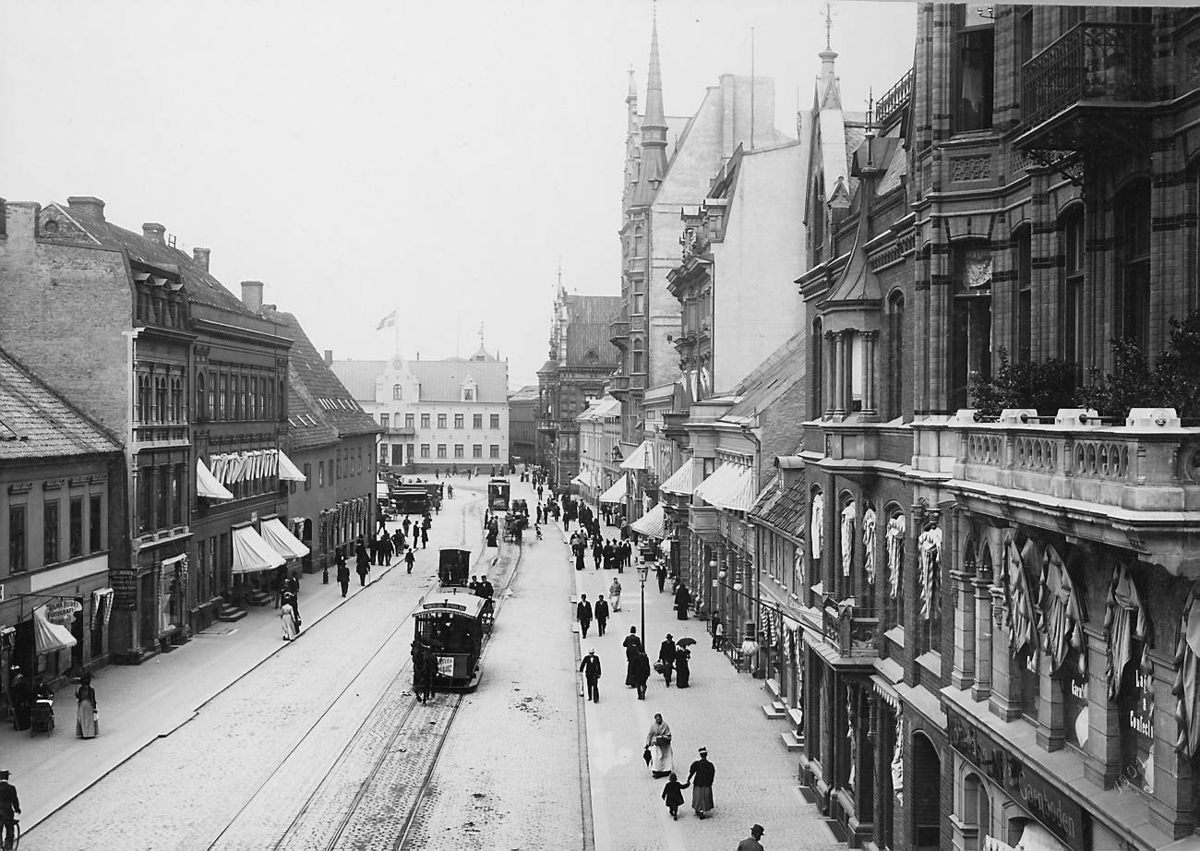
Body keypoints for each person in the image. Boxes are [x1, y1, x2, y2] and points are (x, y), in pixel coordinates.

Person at [687, 747, 716, 819]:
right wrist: (710, 782)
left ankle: (699, 809)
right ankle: (704, 809)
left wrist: (688, 779)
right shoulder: (710, 765)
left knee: (698, 797)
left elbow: (692, 772)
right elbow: (712, 775)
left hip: (698, 783)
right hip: (706, 784)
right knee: (705, 797)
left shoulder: (697, 764)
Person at [645, 713, 674, 778]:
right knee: (656, 758)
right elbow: (650, 735)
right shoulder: (653, 726)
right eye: (657, 719)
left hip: (664, 744)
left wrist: (663, 737)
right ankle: (656, 770)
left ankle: (666, 770)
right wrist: (647, 743)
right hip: (656, 743)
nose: (658, 720)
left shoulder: (665, 725)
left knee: (666, 757)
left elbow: (668, 734)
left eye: (659, 719)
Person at [74, 673, 98, 739]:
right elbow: (93, 699)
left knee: (82, 719)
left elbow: (79, 697)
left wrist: (76, 694)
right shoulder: (91, 690)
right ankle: (89, 733)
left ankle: (84, 733)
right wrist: (94, 708)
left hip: (82, 705)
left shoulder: (81, 689)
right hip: (89, 705)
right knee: (89, 719)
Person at [0, 770, 19, 851]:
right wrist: (17, 809)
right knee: (10, 830)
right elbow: (15, 800)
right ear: (7, 778)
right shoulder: (11, 788)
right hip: (7, 812)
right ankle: (7, 848)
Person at [9, 667, 31, 731]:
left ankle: (17, 726)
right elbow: (27, 693)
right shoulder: (23, 686)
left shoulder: (16, 686)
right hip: (22, 702)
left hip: (17, 702)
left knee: (18, 714)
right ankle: (24, 726)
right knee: (23, 715)